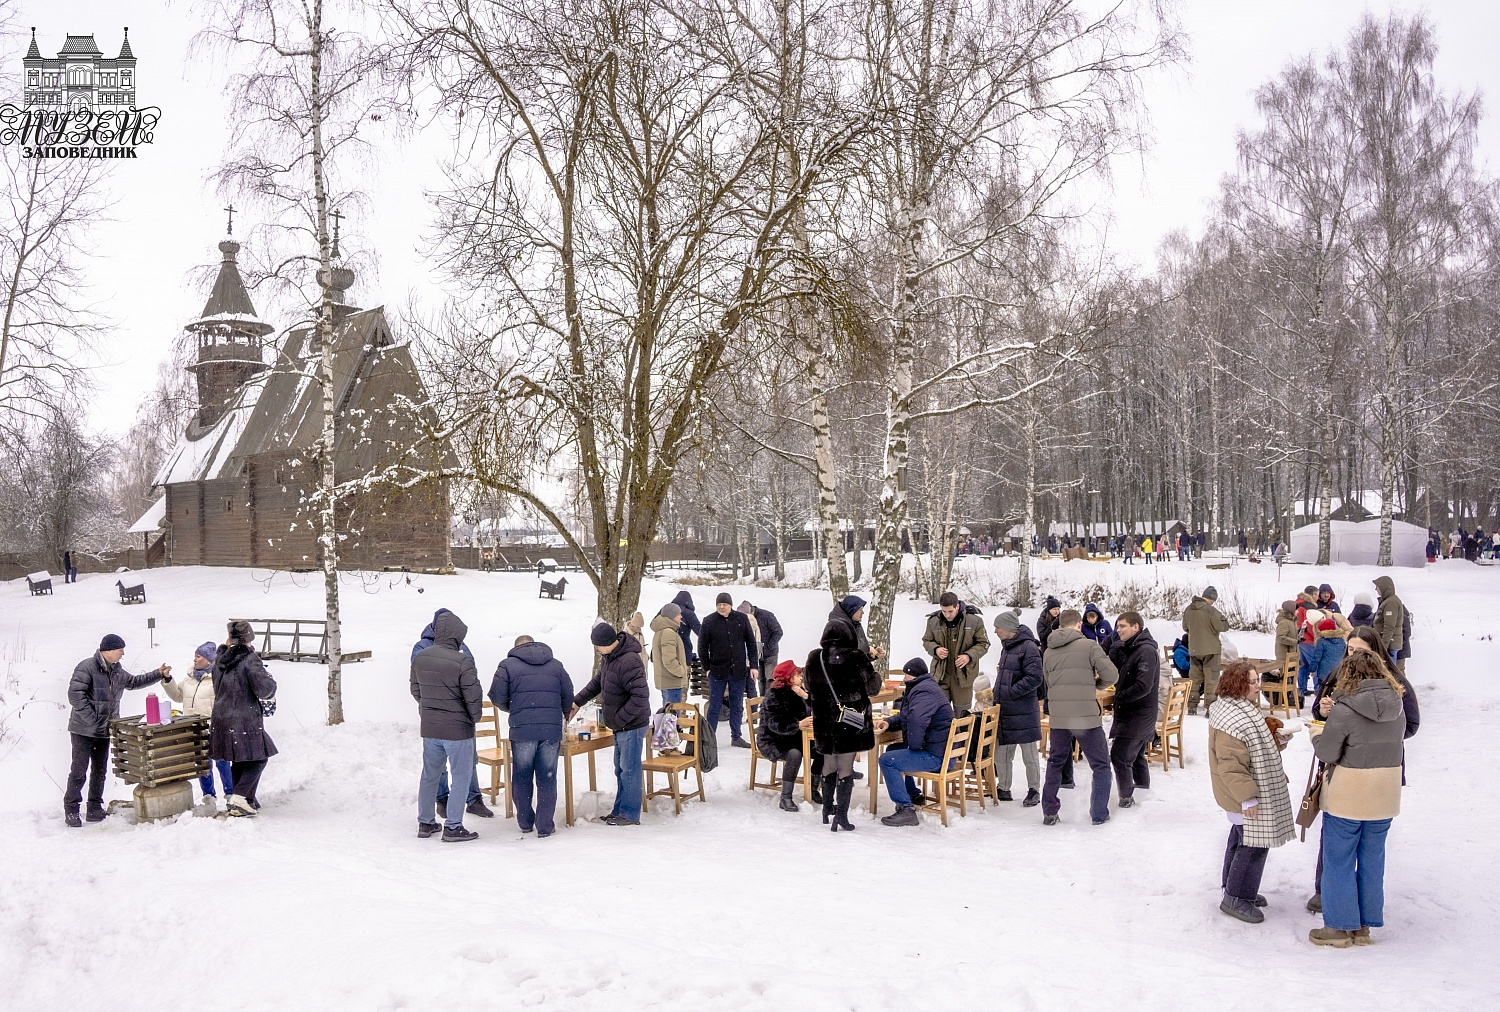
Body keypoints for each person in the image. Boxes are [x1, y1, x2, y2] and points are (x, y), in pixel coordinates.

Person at [1305, 627, 1419, 915]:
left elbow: (1411, 725)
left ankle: (1341, 921)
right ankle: (1361, 916)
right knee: (1369, 855)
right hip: (1383, 783)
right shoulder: (1343, 679)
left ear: (1376, 651)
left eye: (1360, 651)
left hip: (1350, 776)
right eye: (1350, 649)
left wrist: (1358, 734)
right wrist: (1326, 713)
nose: (1352, 656)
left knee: (1340, 851)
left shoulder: (1397, 685)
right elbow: (1319, 709)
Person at [1209, 659, 1295, 924]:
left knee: (1241, 839)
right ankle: (1236, 897)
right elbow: (1232, 765)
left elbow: (1253, 748)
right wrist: (1247, 797)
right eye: (1254, 681)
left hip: (1240, 792)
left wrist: (1277, 740)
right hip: (1240, 793)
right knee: (1254, 844)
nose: (1259, 685)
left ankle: (1235, 888)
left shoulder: (1239, 709)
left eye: (1258, 680)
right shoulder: (1231, 719)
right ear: (1238, 684)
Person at [63, 634, 172, 827]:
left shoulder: (117, 671)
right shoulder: (87, 667)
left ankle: (94, 808)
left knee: (100, 770)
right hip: (83, 731)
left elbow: (135, 682)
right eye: (121, 649)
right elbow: (75, 695)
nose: (123, 653)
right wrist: (93, 720)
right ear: (110, 650)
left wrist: (158, 673)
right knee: (79, 771)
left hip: (103, 731)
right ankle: (71, 809)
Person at [807, 595, 883, 832]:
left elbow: (809, 686)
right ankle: (842, 815)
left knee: (829, 762)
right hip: (848, 720)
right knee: (846, 767)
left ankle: (827, 809)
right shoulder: (855, 656)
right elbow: (873, 687)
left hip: (824, 721)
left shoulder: (815, 657)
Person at [1039, 610, 1118, 826]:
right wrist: (1095, 686)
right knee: (1100, 765)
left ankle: (1049, 810)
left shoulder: (1048, 651)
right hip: (1085, 716)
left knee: (1055, 762)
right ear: (1078, 625)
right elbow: (1112, 675)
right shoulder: (1090, 646)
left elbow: (1048, 682)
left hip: (1059, 716)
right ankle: (1099, 813)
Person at [490, 634, 573, 838]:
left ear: (516, 648)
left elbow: (496, 696)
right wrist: (560, 713)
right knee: (547, 776)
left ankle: (526, 822)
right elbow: (568, 694)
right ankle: (545, 826)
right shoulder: (556, 665)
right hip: (550, 730)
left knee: (522, 775)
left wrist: (514, 708)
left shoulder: (507, 665)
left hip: (522, 728)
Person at [412, 609, 492, 819]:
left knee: (446, 770)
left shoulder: (444, 651)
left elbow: (416, 688)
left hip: (438, 722)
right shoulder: (422, 649)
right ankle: (451, 820)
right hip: (452, 722)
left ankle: (429, 821)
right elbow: (471, 690)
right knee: (454, 774)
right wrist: (466, 713)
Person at [574, 621, 651, 826]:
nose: (597, 650)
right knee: (621, 769)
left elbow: (641, 697)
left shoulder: (629, 661)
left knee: (630, 770)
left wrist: (620, 719)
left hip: (632, 725)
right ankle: (619, 810)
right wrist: (577, 702)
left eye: (598, 646)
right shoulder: (610, 658)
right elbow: (597, 683)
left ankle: (629, 814)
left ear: (609, 642)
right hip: (621, 726)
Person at [875, 657, 955, 827]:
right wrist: (889, 721)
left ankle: (906, 810)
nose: (903, 679)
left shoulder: (923, 691)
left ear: (913, 676)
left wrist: (914, 747)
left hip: (937, 756)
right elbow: (907, 715)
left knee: (886, 761)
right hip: (940, 749)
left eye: (905, 675)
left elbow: (917, 721)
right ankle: (912, 795)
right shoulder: (925, 687)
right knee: (892, 750)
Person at [211, 620, 278, 819]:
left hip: (222, 717)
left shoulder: (219, 660)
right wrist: (270, 680)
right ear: (248, 639)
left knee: (241, 759)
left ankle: (245, 800)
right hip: (244, 717)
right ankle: (240, 797)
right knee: (259, 758)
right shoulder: (250, 659)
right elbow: (265, 690)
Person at [163, 641, 233, 806]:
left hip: (214, 727)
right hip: (194, 729)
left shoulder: (217, 678)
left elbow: (224, 702)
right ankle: (208, 796)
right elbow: (178, 696)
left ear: (209, 660)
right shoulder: (189, 678)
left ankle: (231, 794)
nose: (195, 660)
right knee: (202, 764)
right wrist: (167, 680)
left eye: (198, 656)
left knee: (222, 762)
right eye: (194, 656)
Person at [1107, 612, 1159, 809]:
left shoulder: (1145, 650)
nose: (1118, 630)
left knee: (1120, 757)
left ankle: (1127, 798)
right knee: (1136, 756)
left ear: (1136, 627)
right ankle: (1143, 792)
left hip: (1139, 713)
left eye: (1122, 626)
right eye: (1117, 626)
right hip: (1134, 713)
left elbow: (1143, 685)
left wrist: (1119, 696)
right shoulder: (1133, 647)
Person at [992, 609, 1043, 806]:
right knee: (1003, 753)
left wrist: (1011, 693)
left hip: (1024, 710)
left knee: (1029, 754)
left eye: (998, 627)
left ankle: (1034, 789)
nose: (995, 631)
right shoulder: (1007, 647)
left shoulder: (1028, 647)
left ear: (1008, 628)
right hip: (1005, 710)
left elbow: (1035, 677)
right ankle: (1003, 787)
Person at [699, 592, 758, 746]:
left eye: (724, 604)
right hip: (717, 670)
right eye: (719, 604)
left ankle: (736, 736)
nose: (721, 607)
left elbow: (751, 644)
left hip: (738, 670)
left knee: (736, 704)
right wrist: (707, 668)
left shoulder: (741, 619)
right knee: (714, 705)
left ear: (730, 605)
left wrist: (754, 666)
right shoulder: (709, 621)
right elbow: (702, 647)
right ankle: (710, 739)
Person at [756, 659, 813, 812]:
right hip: (773, 740)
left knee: (823, 747)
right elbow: (774, 724)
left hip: (794, 737)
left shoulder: (797, 692)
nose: (801, 678)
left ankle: (813, 788)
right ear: (788, 678)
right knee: (795, 754)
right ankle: (785, 798)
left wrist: (807, 697)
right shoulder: (774, 695)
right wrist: (798, 724)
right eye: (797, 675)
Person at [922, 591, 991, 712]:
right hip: (940, 675)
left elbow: (984, 643)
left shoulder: (974, 621)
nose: (947, 615)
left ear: (957, 606)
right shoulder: (933, 621)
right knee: (940, 712)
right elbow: (927, 641)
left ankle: (961, 731)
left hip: (964, 676)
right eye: (944, 611)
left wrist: (969, 656)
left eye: (950, 611)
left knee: (962, 714)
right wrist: (935, 649)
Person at [1182, 586, 1229, 715]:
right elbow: (1223, 626)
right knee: (1212, 679)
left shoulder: (1188, 609)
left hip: (1194, 649)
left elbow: (1185, 627)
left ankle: (1192, 706)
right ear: (1213, 598)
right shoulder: (1211, 610)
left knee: (1194, 679)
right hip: (1211, 650)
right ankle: (1210, 707)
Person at [738, 600, 783, 697]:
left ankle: (771, 699)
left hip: (770, 654)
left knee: (770, 678)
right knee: (760, 679)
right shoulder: (745, 620)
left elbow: (778, 632)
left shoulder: (766, 616)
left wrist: (768, 646)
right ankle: (762, 701)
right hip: (757, 654)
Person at [649, 603, 690, 705]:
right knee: (672, 717)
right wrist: (681, 672)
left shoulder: (662, 631)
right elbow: (669, 660)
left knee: (668, 715)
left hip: (667, 682)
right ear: (671, 616)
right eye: (678, 614)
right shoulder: (668, 632)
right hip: (672, 682)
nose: (681, 616)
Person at [1371, 576, 1407, 673]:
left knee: (1389, 673)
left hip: (1390, 645)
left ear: (1383, 587)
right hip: (1389, 644)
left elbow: (1389, 627)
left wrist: (1383, 646)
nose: (1376, 589)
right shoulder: (1388, 601)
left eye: (1377, 587)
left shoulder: (1391, 602)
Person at [670, 590, 702, 665]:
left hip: (664, 651)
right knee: (682, 674)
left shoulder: (666, 610)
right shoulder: (688, 613)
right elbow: (700, 631)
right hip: (683, 650)